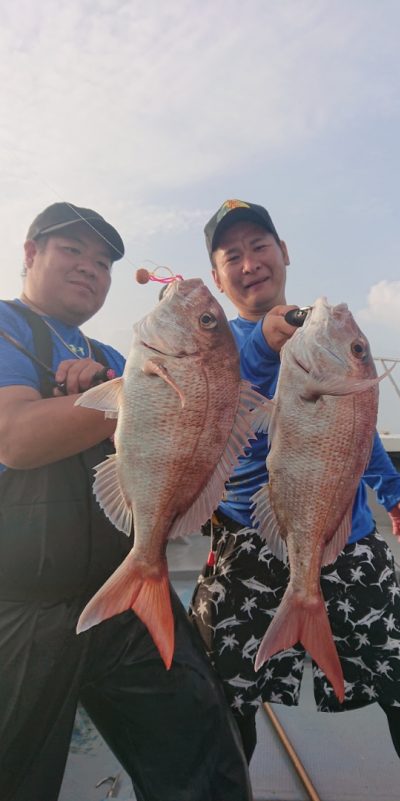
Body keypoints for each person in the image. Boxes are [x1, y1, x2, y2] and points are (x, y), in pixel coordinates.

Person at [189, 198, 400, 800]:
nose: (251, 262)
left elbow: (355, 422)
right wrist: (262, 343)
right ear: (217, 275)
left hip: (346, 537)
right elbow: (218, 400)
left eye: (261, 247)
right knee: (232, 709)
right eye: (234, 255)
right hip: (246, 547)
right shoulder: (214, 344)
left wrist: (390, 489)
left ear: (284, 254)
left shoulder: (320, 337)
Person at [0, 202, 252, 801]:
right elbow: (15, 437)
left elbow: (200, 427)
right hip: (24, 609)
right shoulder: (6, 328)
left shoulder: (116, 357)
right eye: (72, 251)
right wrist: (129, 396)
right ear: (30, 254)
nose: (91, 268)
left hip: (129, 592)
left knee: (204, 755)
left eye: (104, 262)